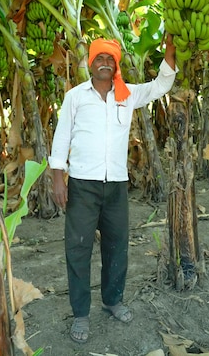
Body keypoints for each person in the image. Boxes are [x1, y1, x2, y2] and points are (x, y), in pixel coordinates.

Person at [49, 34, 177, 344]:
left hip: (117, 185)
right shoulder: (75, 96)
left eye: (110, 59)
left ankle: (113, 300)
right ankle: (81, 313)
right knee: (78, 248)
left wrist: (170, 50)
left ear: (115, 64)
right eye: (99, 59)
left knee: (117, 245)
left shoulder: (127, 94)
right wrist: (57, 178)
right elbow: (62, 136)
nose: (104, 63)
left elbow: (160, 86)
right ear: (90, 64)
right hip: (82, 185)